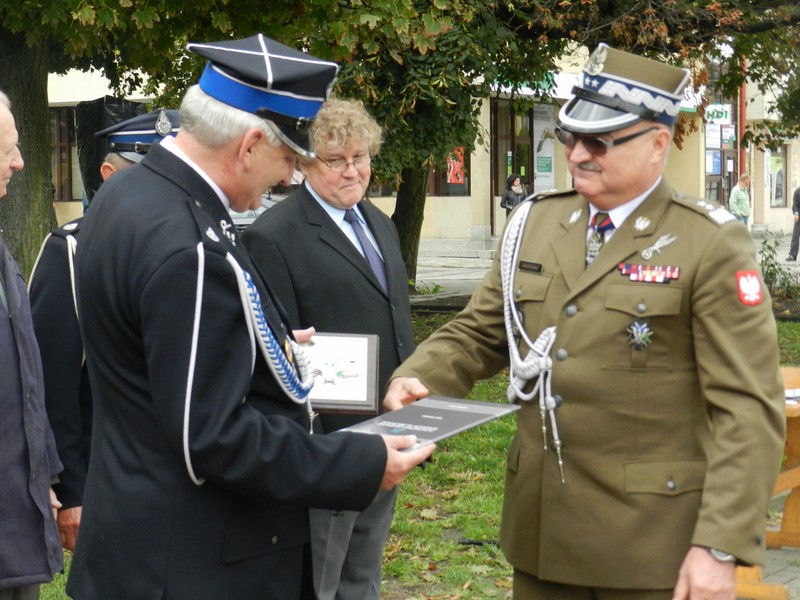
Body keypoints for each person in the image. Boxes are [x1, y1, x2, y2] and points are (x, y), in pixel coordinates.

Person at [385, 43, 785, 600]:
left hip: (653, 546)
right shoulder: (536, 223)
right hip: (544, 532)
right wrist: (421, 374)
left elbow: (748, 408)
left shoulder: (709, 242)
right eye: (571, 136)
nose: (577, 154)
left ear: (658, 144)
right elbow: (482, 329)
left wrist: (719, 546)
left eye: (600, 142)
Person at [64, 34, 433, 600]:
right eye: (288, 159)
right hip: (194, 562)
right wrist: (355, 463)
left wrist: (267, 345)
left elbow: (159, 367)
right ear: (250, 144)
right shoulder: (190, 245)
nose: (287, 179)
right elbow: (212, 438)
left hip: (140, 542)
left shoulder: (132, 194)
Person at [241, 98, 413, 600]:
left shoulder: (379, 223)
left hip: (386, 433)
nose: (352, 171)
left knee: (363, 577)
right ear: (304, 164)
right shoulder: (273, 235)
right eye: (335, 160)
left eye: (360, 157)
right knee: (320, 581)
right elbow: (273, 350)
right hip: (325, 447)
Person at [28, 109, 180, 552]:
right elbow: (53, 382)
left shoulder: (191, 249)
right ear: (109, 175)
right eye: (148, 175)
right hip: (109, 474)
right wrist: (71, 490)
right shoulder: (71, 252)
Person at [0, 90, 64, 599]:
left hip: (16, 519)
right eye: (7, 150)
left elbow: (24, 370)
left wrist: (43, 472)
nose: (20, 162)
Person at [786, 185, 800, 261]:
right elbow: (795, 204)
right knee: (795, 236)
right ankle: (792, 255)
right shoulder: (797, 192)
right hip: (799, 218)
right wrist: (796, 214)